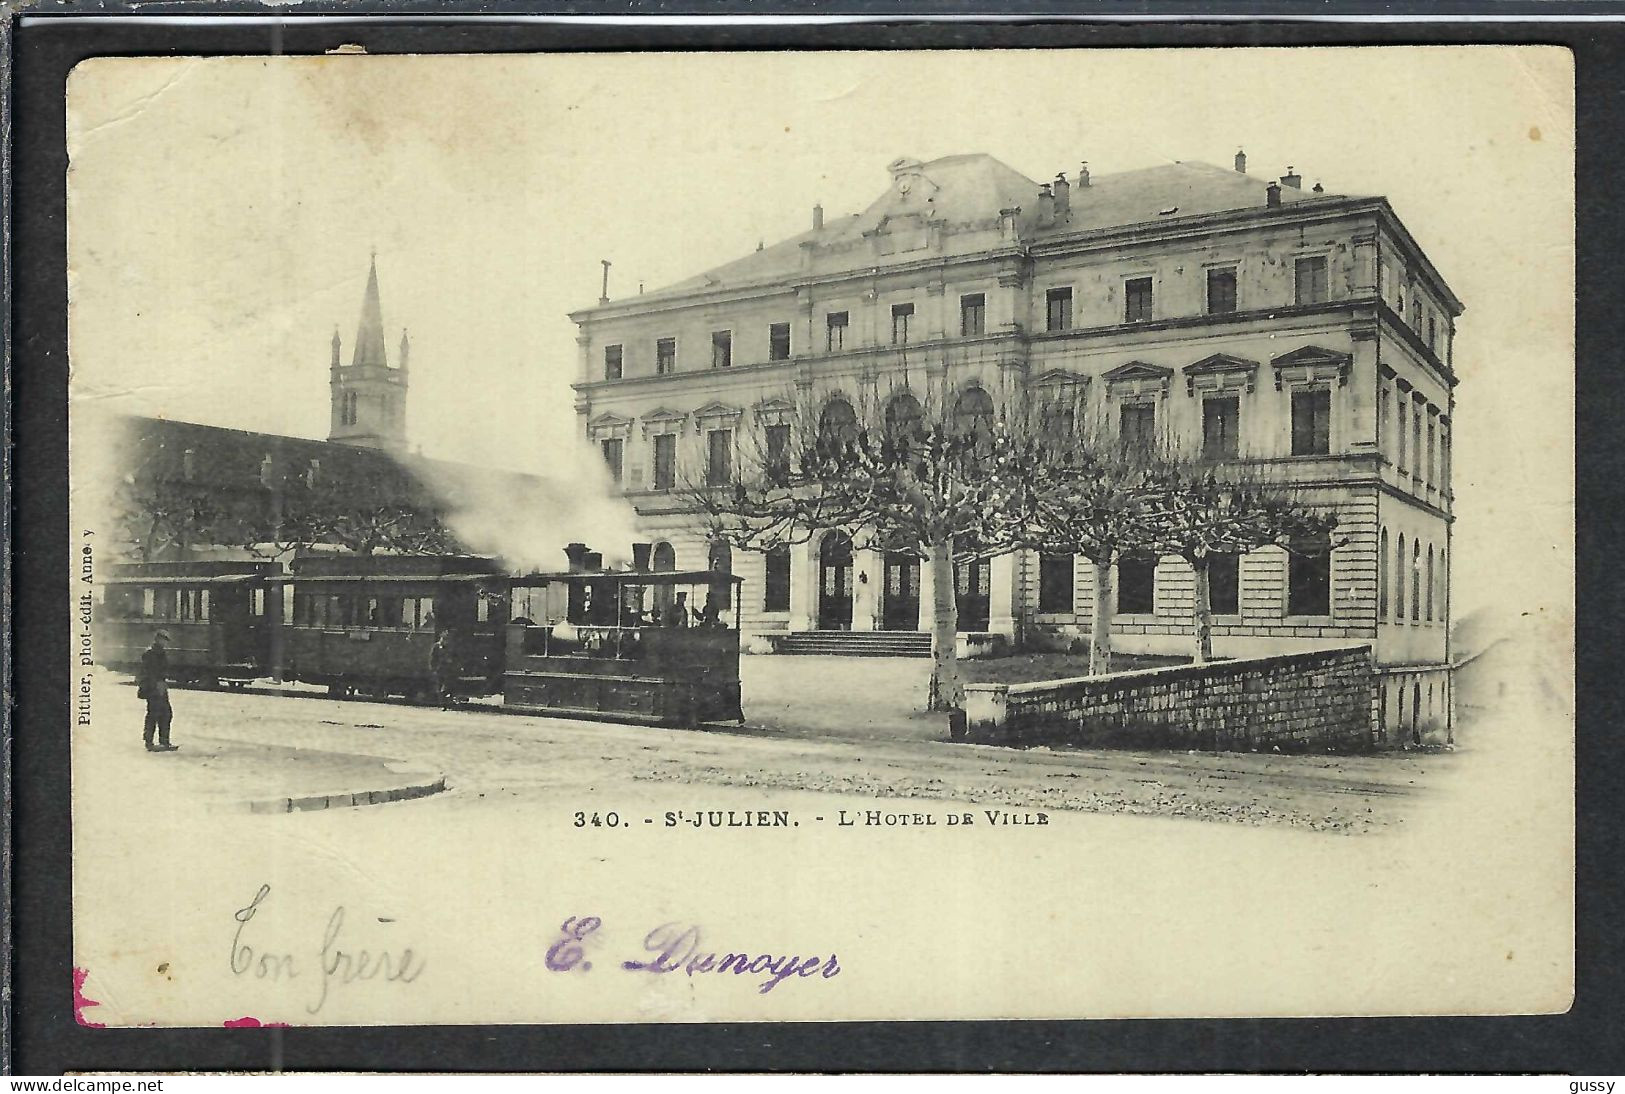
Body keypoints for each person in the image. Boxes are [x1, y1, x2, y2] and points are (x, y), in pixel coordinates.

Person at [137, 630, 178, 752]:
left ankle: (164, 741)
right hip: (153, 687)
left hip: (160, 686)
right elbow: (149, 672)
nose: (165, 643)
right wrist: (156, 686)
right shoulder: (150, 653)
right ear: (158, 639)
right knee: (154, 714)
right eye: (164, 640)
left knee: (166, 714)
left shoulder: (160, 652)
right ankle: (149, 742)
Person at [429, 630, 457, 709]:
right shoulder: (436, 647)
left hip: (448, 670)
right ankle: (443, 704)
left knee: (446, 687)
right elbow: (432, 658)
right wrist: (433, 669)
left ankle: (448, 701)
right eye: (444, 639)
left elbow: (455, 657)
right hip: (439, 669)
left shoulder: (450, 647)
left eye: (446, 639)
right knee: (439, 688)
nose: (445, 641)